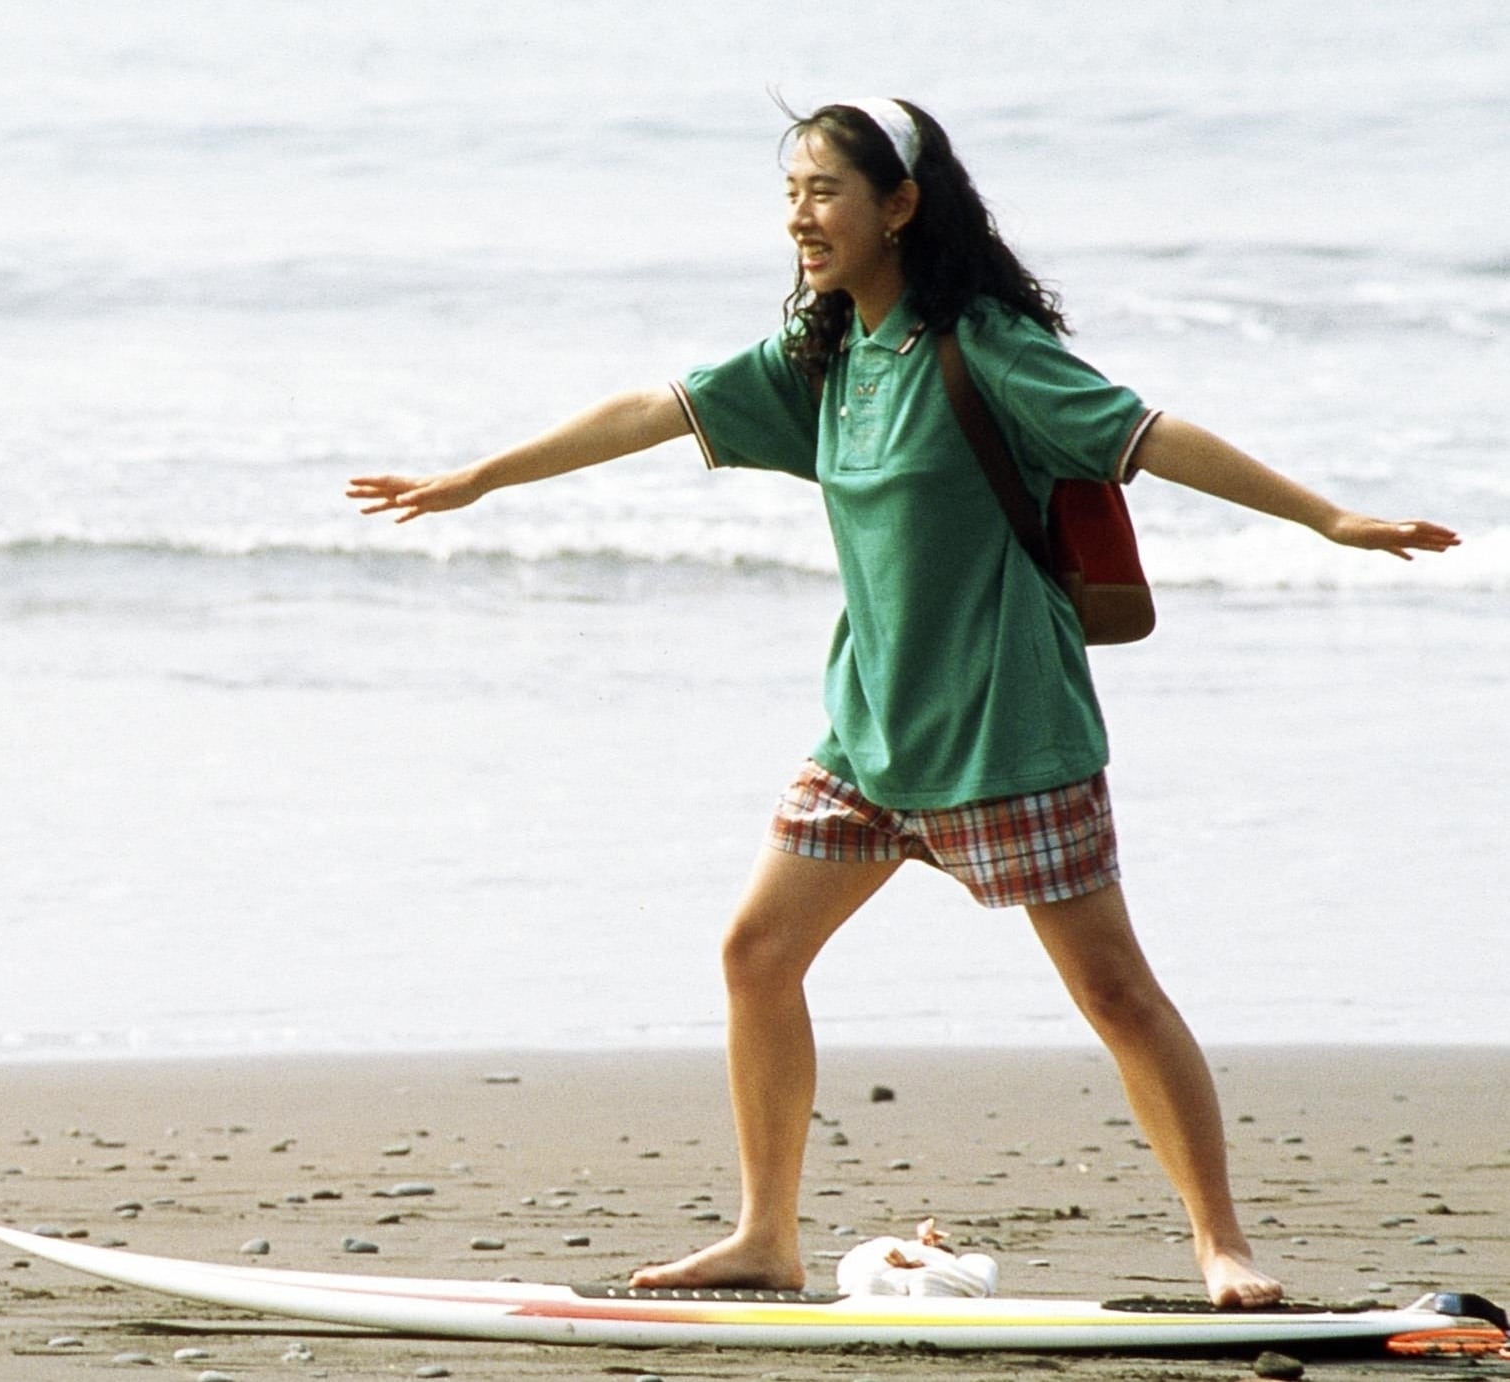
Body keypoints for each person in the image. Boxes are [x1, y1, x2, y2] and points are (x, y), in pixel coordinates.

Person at [347, 98, 1458, 1309]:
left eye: (825, 189)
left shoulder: (982, 348)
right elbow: (651, 410)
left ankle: (1222, 1243)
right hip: (870, 733)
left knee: (1115, 991)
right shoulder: (822, 358)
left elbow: (1150, 435)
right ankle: (765, 1233)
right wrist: (477, 478)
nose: (799, 214)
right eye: (792, 191)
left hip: (1007, 729)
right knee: (756, 952)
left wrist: (1329, 517)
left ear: (902, 204)